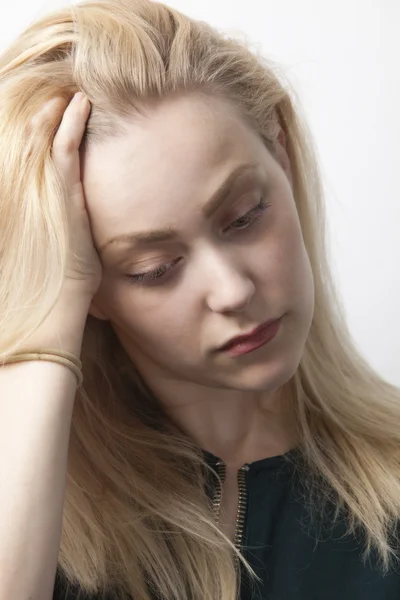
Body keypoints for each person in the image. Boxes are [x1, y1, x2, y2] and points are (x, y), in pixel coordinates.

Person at [1, 0, 400, 598]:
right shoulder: (42, 520)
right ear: (88, 290)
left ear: (282, 155)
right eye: (153, 268)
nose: (233, 290)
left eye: (246, 215)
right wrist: (45, 321)